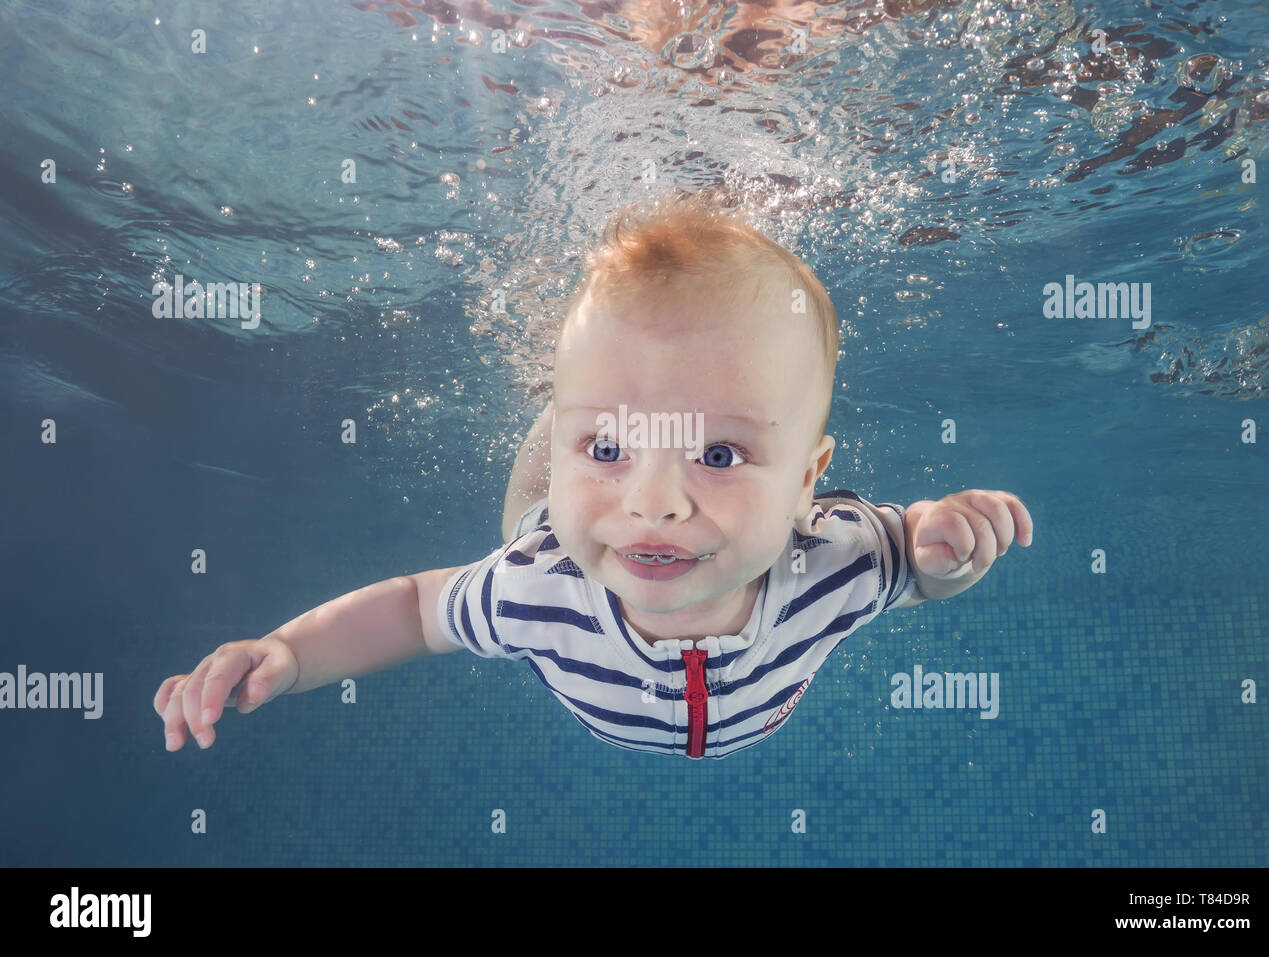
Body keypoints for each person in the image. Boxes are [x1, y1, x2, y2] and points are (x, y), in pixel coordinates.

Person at [154, 190, 1032, 759]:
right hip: (552, 526)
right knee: (547, 498)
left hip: (595, 522)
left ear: (810, 482)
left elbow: (916, 570)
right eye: (612, 449)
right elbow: (417, 610)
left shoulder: (835, 560)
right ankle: (564, 409)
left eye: (718, 454)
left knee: (595, 451)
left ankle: (584, 413)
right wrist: (290, 651)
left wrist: (944, 552)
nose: (652, 503)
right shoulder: (533, 590)